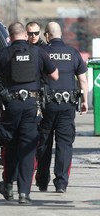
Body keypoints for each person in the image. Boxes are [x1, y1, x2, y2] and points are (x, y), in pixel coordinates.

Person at [0, 22, 58, 204]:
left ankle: (8, 184)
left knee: (10, 146)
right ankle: (24, 193)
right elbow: (55, 75)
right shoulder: (38, 52)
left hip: (10, 106)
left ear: (10, 36)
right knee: (28, 149)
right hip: (32, 105)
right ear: (25, 34)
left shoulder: (3, 53)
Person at [35, 21, 88, 193]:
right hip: (68, 105)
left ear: (47, 35)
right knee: (64, 144)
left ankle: (42, 182)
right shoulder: (72, 52)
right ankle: (61, 184)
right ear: (60, 35)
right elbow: (83, 80)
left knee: (44, 143)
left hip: (46, 106)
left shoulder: (42, 52)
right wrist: (85, 100)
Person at [0, 21, 46, 167]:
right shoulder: (11, 51)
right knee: (14, 136)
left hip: (37, 98)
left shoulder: (41, 51)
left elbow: (52, 74)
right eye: (30, 34)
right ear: (25, 34)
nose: (33, 36)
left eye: (36, 33)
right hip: (16, 100)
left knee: (33, 138)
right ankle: (14, 164)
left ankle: (30, 168)